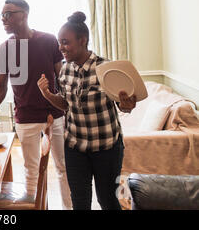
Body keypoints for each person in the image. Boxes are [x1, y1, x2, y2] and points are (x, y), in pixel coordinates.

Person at [37, 11, 136, 210]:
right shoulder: (65, 69)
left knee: (107, 200)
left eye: (65, 42)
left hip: (106, 148)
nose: (60, 47)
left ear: (83, 40)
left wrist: (127, 104)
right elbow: (66, 105)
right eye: (59, 42)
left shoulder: (106, 68)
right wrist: (47, 94)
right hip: (75, 147)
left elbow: (123, 104)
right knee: (80, 202)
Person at [0, 0, 72, 210]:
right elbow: (2, 86)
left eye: (9, 14)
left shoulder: (49, 40)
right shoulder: (3, 49)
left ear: (24, 15)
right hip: (25, 117)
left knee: (63, 168)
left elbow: (61, 77)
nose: (4, 19)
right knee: (31, 169)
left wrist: (69, 103)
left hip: (55, 114)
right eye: (2, 15)